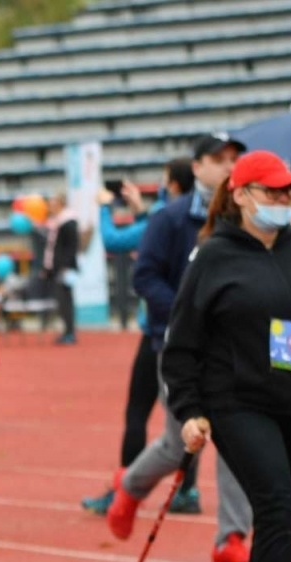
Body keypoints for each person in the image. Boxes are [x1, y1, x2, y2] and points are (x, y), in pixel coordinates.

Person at [164, 151, 291, 562]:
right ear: (242, 194)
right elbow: (181, 344)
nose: (283, 201)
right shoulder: (213, 257)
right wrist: (189, 410)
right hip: (236, 403)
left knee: (279, 518)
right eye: (273, 192)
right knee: (276, 504)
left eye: (289, 193)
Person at [108, 135, 254, 562]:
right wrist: (188, 314)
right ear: (196, 166)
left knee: (235, 441)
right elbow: (144, 276)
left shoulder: (248, 222)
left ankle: (231, 536)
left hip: (233, 353)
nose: (228, 166)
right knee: (179, 444)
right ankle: (131, 487)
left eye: (235, 159)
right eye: (218, 159)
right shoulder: (169, 219)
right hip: (179, 350)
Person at [83, 158, 197, 517]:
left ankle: (122, 489)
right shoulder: (192, 219)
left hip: (159, 332)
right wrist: (139, 209)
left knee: (140, 412)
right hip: (190, 331)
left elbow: (115, 239)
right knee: (188, 413)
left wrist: (105, 206)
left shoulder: (164, 216)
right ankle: (186, 489)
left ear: (175, 184)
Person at [44, 191, 81, 345]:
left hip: (64, 269)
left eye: (53, 203)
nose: (50, 206)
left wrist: (65, 266)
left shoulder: (68, 222)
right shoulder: (58, 222)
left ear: (60, 204)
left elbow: (71, 247)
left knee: (66, 301)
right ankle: (67, 331)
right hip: (58, 268)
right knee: (62, 301)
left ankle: (70, 332)